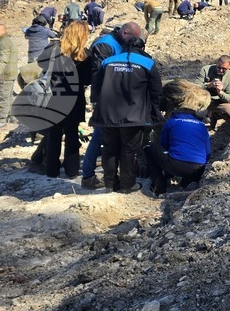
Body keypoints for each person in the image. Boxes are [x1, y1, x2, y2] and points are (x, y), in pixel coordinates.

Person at [90, 33, 163, 192]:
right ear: (142, 47)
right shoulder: (147, 63)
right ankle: (128, 185)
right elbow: (156, 91)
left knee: (109, 149)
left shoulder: (108, 61)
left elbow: (96, 84)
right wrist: (154, 113)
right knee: (129, 150)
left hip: (107, 114)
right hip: (133, 115)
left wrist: (96, 104)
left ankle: (110, 184)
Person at [30, 21, 93, 179]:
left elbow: (40, 63)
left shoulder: (53, 50)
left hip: (54, 96)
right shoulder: (86, 55)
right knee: (72, 135)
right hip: (74, 98)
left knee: (53, 135)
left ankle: (52, 171)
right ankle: (72, 171)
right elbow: (87, 80)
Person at [81, 23, 137, 190]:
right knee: (99, 136)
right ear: (124, 32)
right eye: (132, 39)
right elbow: (99, 74)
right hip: (105, 99)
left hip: (115, 98)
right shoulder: (105, 45)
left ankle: (109, 173)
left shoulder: (120, 43)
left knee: (110, 137)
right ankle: (88, 175)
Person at [145, 90, 211, 197]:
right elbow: (208, 153)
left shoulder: (171, 122)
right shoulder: (201, 125)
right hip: (199, 168)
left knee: (150, 148)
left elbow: (163, 145)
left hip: (176, 165)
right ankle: (188, 182)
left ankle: (158, 187)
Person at [0, 24, 18, 130]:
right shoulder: (6, 41)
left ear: (4, 31)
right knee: (9, 96)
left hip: (5, 74)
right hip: (10, 73)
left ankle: (2, 120)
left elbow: (3, 59)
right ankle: (12, 116)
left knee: (3, 97)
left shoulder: (4, 42)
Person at [203, 55, 230, 127]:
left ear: (229, 67)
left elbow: (229, 97)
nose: (221, 70)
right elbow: (195, 87)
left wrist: (220, 92)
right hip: (203, 98)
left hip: (218, 101)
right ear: (216, 64)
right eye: (219, 67)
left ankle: (214, 116)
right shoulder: (206, 70)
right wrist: (209, 85)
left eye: (224, 69)